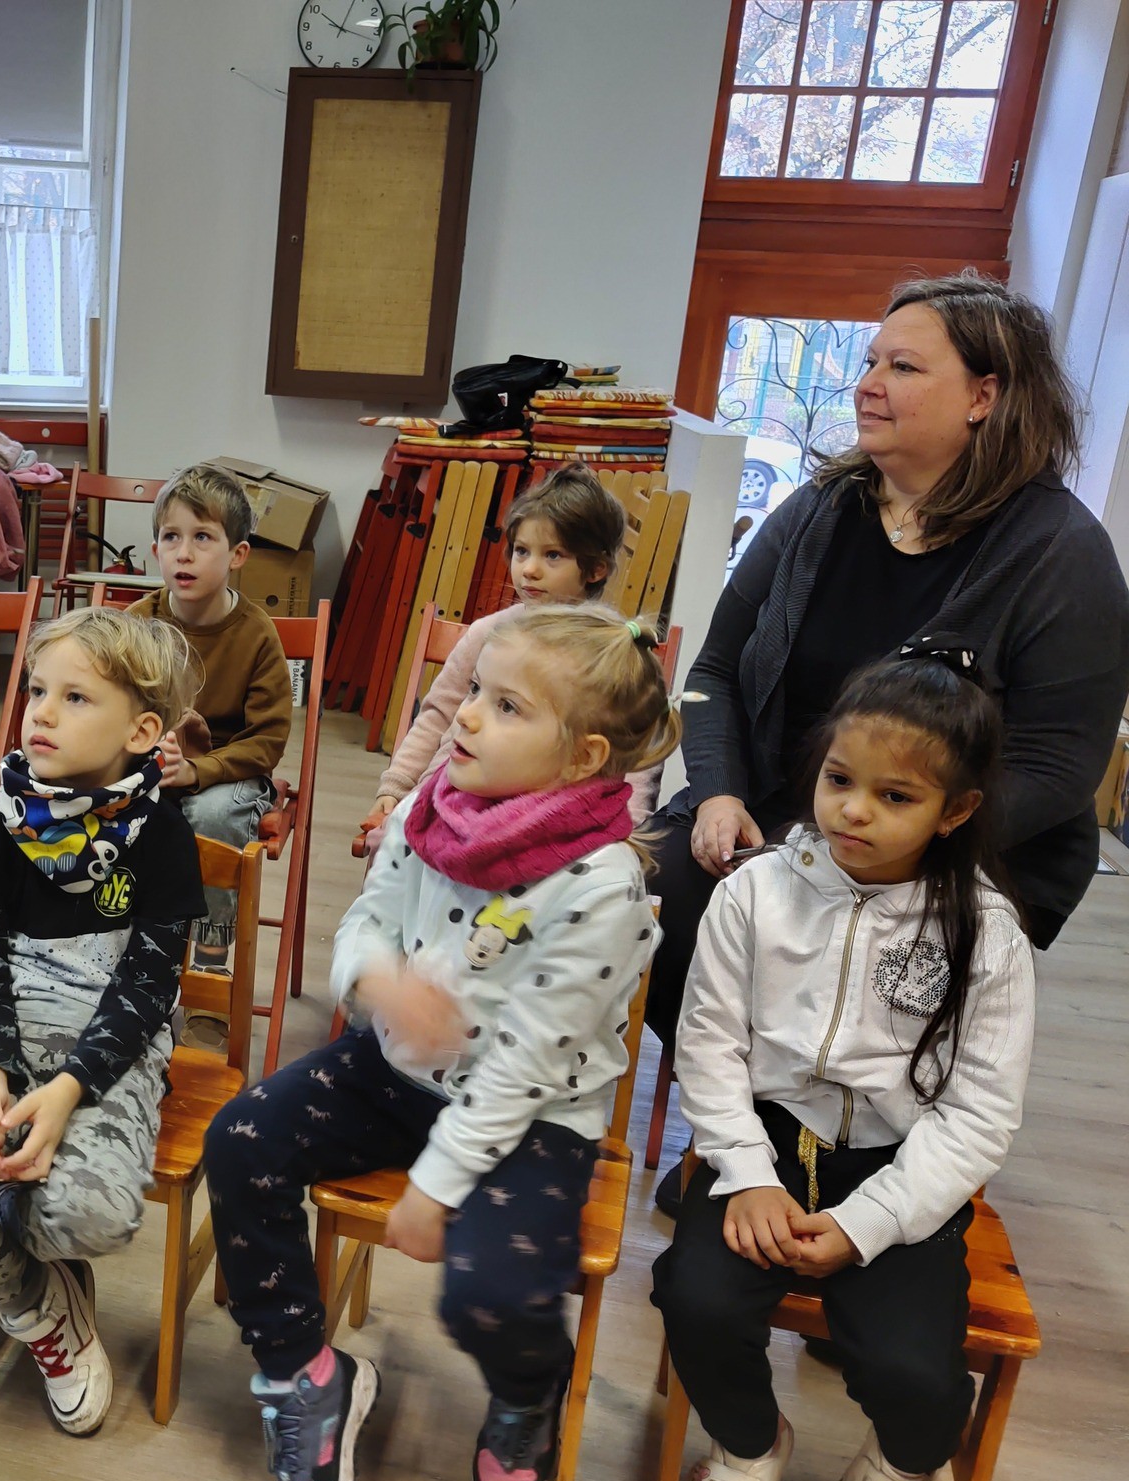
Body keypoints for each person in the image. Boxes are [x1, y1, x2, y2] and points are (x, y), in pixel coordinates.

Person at [644, 271, 1125, 1212]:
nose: (867, 384)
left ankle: (862, 1173)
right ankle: (757, 1136)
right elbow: (714, 673)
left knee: (869, 967)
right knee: (648, 902)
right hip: (783, 813)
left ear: (985, 396)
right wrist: (721, 793)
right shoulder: (821, 509)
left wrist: (889, 848)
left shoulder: (1059, 552)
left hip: (961, 843)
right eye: (870, 362)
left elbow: (1060, 767)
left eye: (902, 367)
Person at [204, 605, 680, 1481]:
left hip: (532, 1114)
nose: (464, 713)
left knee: (491, 1292)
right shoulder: (429, 807)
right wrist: (379, 979)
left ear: (582, 758)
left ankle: (528, 1391)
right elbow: (367, 919)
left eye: (506, 707)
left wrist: (436, 1184)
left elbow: (528, 1062)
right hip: (394, 1073)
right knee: (241, 1141)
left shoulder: (602, 886)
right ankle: (304, 1374)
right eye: (476, 692)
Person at [652, 647, 1033, 1481]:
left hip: (899, 1169)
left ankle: (900, 1477)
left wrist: (868, 1224)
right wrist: (747, 1174)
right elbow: (708, 1045)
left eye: (896, 797)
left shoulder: (988, 936)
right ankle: (748, 1448)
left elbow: (979, 1114)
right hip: (767, 1144)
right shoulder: (755, 892)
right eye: (838, 780)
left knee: (921, 1379)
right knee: (694, 1302)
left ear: (955, 811)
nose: (854, 810)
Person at [0, 606, 204, 1436]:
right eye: (36, 691)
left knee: (92, 1214)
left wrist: (66, 1094)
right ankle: (37, 1307)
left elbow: (148, 988)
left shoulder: (165, 835)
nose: (42, 713)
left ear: (141, 732)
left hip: (108, 1051)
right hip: (5, 1035)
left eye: (75, 697)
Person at [361, 465, 647, 848]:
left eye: (553, 555)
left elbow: (634, 758)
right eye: (522, 551)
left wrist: (627, 829)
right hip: (447, 797)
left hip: (543, 822)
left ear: (596, 569)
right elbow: (438, 715)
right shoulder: (487, 633)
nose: (529, 569)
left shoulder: (610, 651)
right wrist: (397, 786)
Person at [127, 463, 290, 970]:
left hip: (227, 775)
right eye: (171, 537)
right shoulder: (136, 624)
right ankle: (121, 941)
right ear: (155, 550)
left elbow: (266, 741)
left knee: (212, 815)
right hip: (150, 766)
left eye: (202, 537)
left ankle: (210, 959)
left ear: (237, 554)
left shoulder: (257, 633)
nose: (184, 552)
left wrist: (198, 770)